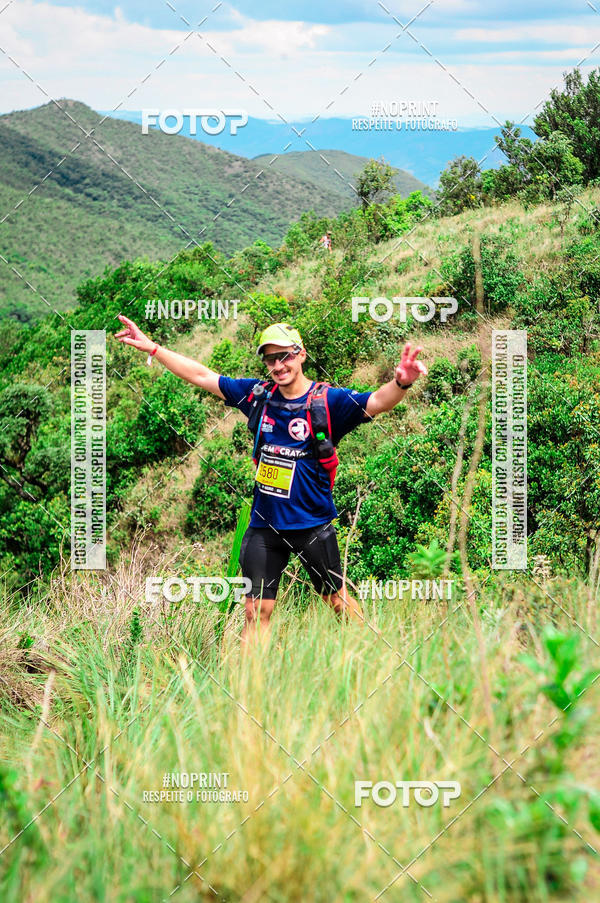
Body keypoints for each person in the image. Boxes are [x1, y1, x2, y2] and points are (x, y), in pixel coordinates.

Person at [115, 316, 427, 643]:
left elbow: (377, 402)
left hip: (311, 525)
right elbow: (202, 375)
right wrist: (153, 348)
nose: (278, 365)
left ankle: (371, 652)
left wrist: (401, 384)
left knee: (336, 599)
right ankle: (251, 689)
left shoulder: (328, 401)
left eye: (286, 356)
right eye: (270, 358)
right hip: (264, 527)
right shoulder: (257, 395)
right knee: (255, 612)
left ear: (301, 354)